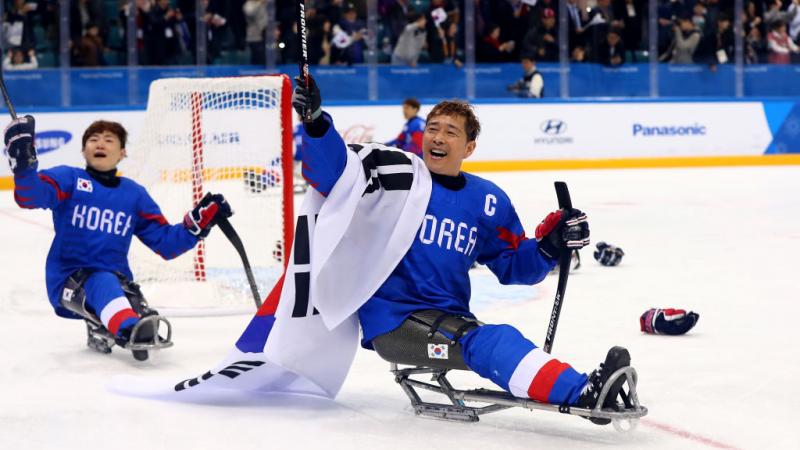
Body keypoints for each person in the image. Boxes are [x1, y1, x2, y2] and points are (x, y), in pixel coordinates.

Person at [292, 75, 634, 424]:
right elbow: (332, 173)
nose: (438, 138)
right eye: (433, 129)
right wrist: (315, 122)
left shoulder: (487, 201)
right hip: (394, 321)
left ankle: (578, 388)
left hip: (451, 318)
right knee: (492, 341)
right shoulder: (396, 178)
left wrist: (550, 245)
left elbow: (516, 266)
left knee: (491, 340)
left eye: (451, 132)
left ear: (469, 148)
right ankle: (581, 393)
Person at [4, 116, 232, 357]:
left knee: (138, 312)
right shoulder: (69, 179)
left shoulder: (134, 195)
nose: (100, 144)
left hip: (116, 280)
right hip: (69, 279)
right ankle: (125, 327)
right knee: (113, 299)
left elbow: (166, 244)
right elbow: (30, 196)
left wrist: (196, 225)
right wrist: (23, 164)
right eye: (93, 139)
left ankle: (103, 323)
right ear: (83, 150)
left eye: (109, 140)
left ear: (122, 153)